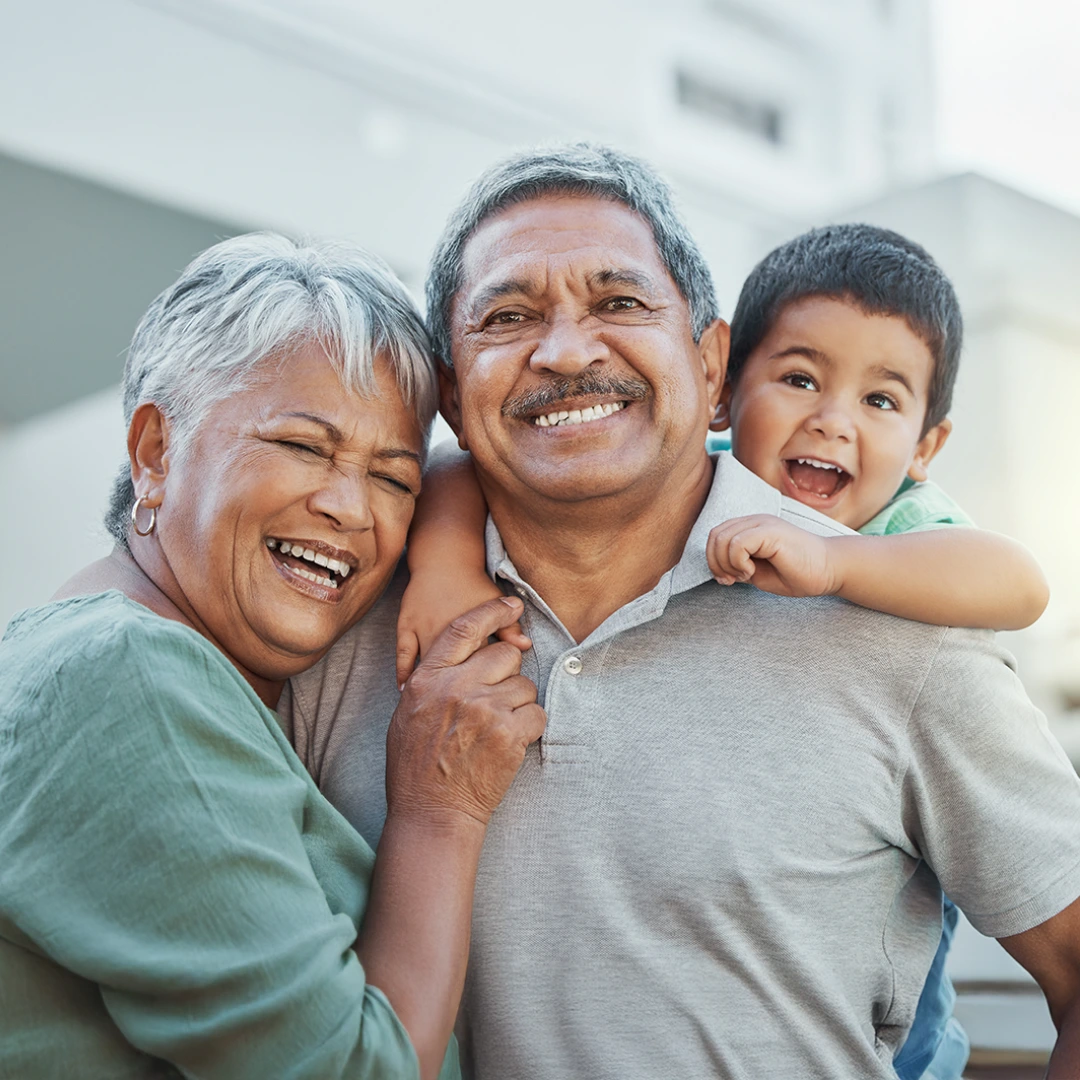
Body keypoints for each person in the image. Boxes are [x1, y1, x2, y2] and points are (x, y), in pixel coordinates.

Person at [288, 146, 1080, 1079]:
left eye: (620, 303)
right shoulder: (335, 625)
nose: (568, 351)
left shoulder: (892, 618)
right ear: (452, 398)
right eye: (507, 317)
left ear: (709, 363)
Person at [0, 233, 544, 1080]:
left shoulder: (101, 651)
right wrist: (442, 812)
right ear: (155, 452)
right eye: (302, 446)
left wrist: (446, 543)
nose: (348, 507)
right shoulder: (131, 677)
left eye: (392, 480)